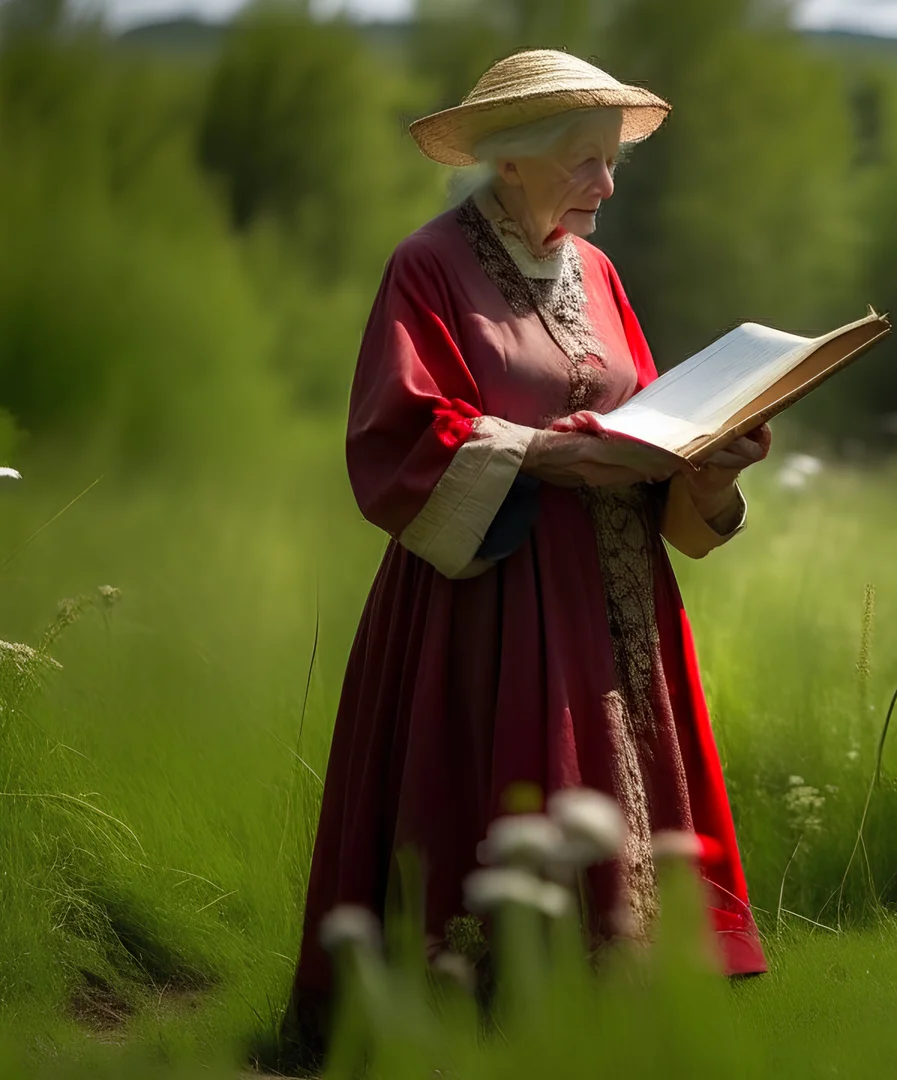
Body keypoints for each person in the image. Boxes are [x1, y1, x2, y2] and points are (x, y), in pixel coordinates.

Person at [284, 49, 770, 1049]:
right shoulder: (427, 267)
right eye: (585, 159)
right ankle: (478, 1023)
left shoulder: (598, 270)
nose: (608, 181)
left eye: (611, 159)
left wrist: (712, 458)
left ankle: (623, 1022)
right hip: (488, 599)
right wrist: (545, 455)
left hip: (617, 594)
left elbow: (642, 422)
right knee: (506, 796)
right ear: (510, 162)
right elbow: (399, 435)